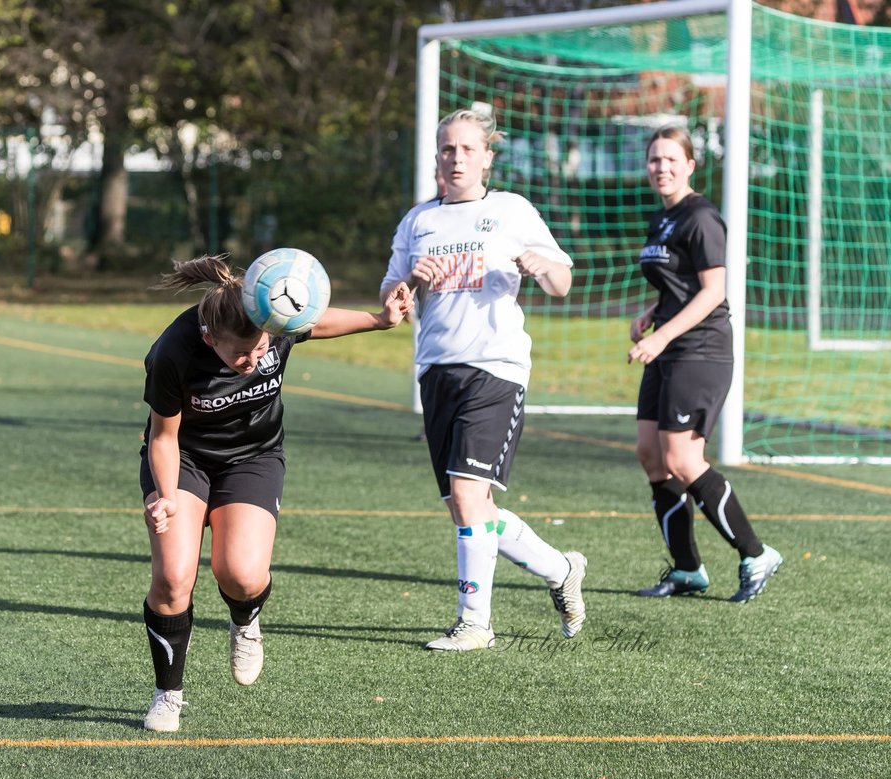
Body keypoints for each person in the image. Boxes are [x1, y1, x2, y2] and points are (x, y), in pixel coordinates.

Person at [140, 255, 413, 731]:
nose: (251, 363)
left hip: (253, 456)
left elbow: (318, 322)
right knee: (172, 577)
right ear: (210, 339)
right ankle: (169, 694)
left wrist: (379, 321)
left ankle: (244, 621)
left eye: (261, 351)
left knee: (241, 575)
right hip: (183, 459)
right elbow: (163, 437)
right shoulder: (174, 352)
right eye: (239, 357)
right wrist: (165, 495)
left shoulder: (274, 317)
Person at [380, 108, 588, 652]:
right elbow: (391, 299)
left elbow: (563, 280)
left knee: (470, 497)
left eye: (467, 149)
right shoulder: (419, 221)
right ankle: (560, 568)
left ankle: (475, 624)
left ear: (487, 158)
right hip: (437, 371)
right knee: (465, 505)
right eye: (447, 149)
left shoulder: (511, 210)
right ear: (436, 157)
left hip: (495, 368)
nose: (456, 158)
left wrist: (539, 265)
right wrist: (406, 284)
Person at [628, 126, 783, 602]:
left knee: (682, 459)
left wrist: (664, 335)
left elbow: (715, 291)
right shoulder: (664, 218)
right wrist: (654, 313)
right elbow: (681, 282)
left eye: (672, 159)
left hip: (701, 351)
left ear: (691, 165)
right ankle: (688, 569)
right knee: (651, 455)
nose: (662, 167)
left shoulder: (701, 217)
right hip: (670, 344)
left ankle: (756, 553)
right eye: (655, 159)